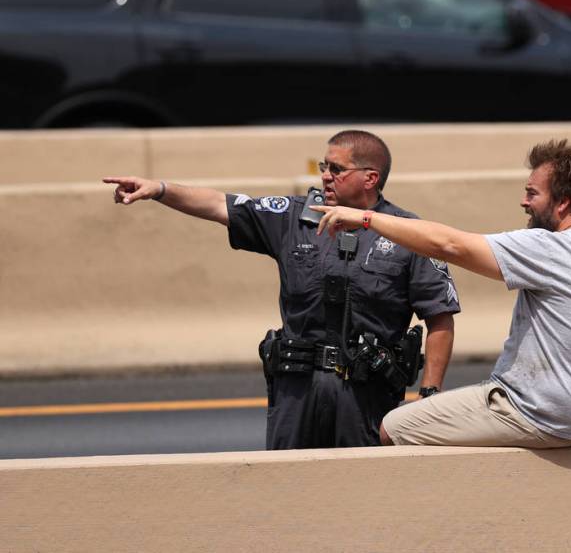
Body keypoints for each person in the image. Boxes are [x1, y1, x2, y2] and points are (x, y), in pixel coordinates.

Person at [103, 130, 459, 449]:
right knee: (288, 494)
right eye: (324, 166)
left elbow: (439, 316)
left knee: (363, 497)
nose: (325, 176)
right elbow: (219, 205)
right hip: (296, 392)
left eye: (336, 169)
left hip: (366, 397)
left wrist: (428, 397)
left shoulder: (408, 232)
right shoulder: (294, 217)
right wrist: (160, 190)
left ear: (370, 178)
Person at [313, 139, 571, 448]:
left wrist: (367, 218)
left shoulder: (551, 248)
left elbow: (449, 245)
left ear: (562, 202)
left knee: (394, 428)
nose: (524, 202)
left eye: (532, 193)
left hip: (543, 415)